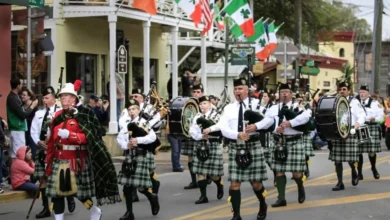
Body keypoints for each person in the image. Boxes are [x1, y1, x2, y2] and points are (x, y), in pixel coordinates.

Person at [43, 81, 121, 220]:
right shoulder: (57, 115)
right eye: (61, 96)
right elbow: (51, 143)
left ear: (74, 98)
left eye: (66, 96)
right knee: (57, 194)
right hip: (59, 159)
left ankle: (94, 210)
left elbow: (89, 137)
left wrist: (70, 136)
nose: (62, 98)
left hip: (76, 160)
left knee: (80, 193)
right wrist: (48, 161)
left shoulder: (84, 114)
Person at [205, 78, 268, 220]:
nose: (237, 91)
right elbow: (223, 127)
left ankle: (263, 204)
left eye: (240, 88)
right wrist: (237, 134)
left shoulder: (257, 105)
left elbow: (268, 121)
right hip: (236, 145)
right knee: (234, 184)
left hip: (253, 145)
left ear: (247, 90)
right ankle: (237, 215)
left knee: (256, 183)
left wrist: (257, 126)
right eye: (236, 89)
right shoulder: (229, 108)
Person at [255, 83, 310, 208]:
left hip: (294, 141)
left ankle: (300, 186)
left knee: (296, 173)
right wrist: (275, 129)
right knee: (279, 171)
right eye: (282, 92)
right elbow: (268, 121)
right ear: (279, 95)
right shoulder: (273, 108)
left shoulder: (298, 106)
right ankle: (281, 198)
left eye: (286, 91)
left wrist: (290, 123)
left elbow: (306, 118)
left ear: (291, 94)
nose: (284, 94)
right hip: (278, 141)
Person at [30, 86, 76, 218]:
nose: (44, 100)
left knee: (61, 179)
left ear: (54, 99)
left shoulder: (62, 112)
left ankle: (69, 198)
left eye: (47, 97)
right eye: (43, 98)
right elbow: (33, 131)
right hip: (42, 149)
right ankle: (46, 208)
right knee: (42, 179)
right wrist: (39, 142)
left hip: (57, 150)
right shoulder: (38, 114)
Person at [116, 99, 160, 220]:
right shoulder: (126, 125)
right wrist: (126, 145)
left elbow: (152, 137)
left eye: (134, 109)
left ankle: (152, 197)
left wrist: (138, 141)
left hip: (141, 156)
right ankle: (129, 213)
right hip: (130, 156)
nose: (131, 112)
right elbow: (119, 139)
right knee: (127, 186)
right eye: (129, 109)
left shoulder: (144, 123)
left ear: (138, 110)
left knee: (141, 187)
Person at [328, 81, 365, 191]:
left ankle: (354, 171)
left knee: (350, 159)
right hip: (338, 132)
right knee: (337, 160)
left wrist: (358, 123)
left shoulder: (354, 102)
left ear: (349, 91)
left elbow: (361, 115)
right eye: (340, 89)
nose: (342, 91)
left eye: (344, 89)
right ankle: (340, 182)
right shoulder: (335, 101)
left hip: (350, 131)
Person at [189, 95, 224, 204]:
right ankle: (203, 196)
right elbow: (192, 131)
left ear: (209, 104)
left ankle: (219, 184)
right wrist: (200, 136)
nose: (202, 106)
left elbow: (221, 127)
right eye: (200, 104)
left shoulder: (216, 115)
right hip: (200, 145)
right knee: (200, 171)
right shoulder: (197, 116)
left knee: (213, 174)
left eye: (204, 103)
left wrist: (210, 130)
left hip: (213, 144)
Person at [7, 77, 38, 161]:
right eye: (20, 84)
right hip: (17, 128)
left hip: (19, 128)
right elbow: (23, 115)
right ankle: (15, 173)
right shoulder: (12, 98)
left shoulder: (15, 97)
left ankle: (14, 172)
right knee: (17, 154)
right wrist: (32, 106)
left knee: (15, 153)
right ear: (18, 85)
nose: (21, 86)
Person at [356, 85, 384, 180]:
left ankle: (373, 168)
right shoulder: (355, 103)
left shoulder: (375, 103)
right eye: (360, 92)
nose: (361, 94)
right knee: (358, 151)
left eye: (363, 92)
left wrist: (374, 118)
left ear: (368, 93)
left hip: (371, 127)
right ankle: (359, 173)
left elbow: (381, 116)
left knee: (371, 151)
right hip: (360, 127)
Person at [182, 84, 205, 190]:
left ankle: (205, 176)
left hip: (203, 135)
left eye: (198, 92)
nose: (196, 94)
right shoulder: (188, 104)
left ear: (202, 93)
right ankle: (194, 181)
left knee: (204, 156)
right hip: (191, 133)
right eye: (194, 92)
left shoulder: (205, 103)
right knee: (190, 157)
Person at [21, 87, 39, 158]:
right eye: (21, 95)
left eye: (24, 95)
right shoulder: (21, 106)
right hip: (24, 131)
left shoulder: (34, 106)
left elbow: (36, 119)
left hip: (31, 132)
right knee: (24, 152)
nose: (22, 96)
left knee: (33, 152)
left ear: (29, 96)